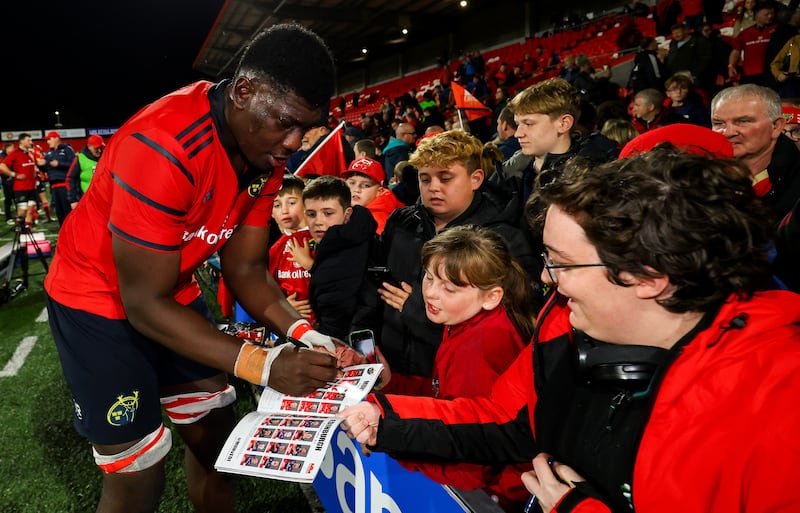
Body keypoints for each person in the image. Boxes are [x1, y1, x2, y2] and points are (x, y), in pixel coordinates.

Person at [339, 145, 800, 513]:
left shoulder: (778, 408)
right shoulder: (563, 322)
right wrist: (389, 418)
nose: (543, 279)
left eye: (559, 263)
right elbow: (507, 419)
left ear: (648, 277)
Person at [43, 24, 349, 513]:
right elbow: (143, 305)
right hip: (98, 299)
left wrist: (303, 332)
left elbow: (246, 268)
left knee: (215, 437)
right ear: (245, 91)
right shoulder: (164, 144)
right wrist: (264, 364)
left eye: (305, 129)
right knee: (139, 471)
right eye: (286, 123)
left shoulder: (263, 149)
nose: (294, 143)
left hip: (169, 287)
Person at [377, 225, 534, 509]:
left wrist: (395, 447)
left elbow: (472, 460)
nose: (431, 294)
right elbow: (444, 395)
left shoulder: (483, 344)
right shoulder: (466, 319)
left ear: (491, 296)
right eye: (428, 277)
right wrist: (393, 383)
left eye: (448, 287)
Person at [365, 130, 537, 381]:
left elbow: (516, 325)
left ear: (476, 178)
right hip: (393, 371)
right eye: (425, 179)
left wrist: (421, 315)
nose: (433, 187)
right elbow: (377, 287)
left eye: (445, 178)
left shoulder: (504, 240)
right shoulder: (400, 222)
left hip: (459, 378)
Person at [299, 175, 378, 341]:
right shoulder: (355, 237)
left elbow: (335, 320)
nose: (318, 222)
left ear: (347, 213)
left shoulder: (342, 249)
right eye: (311, 214)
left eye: (328, 213)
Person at [269, 175, 314, 322]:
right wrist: (284, 306)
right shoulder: (276, 250)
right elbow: (268, 290)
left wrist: (309, 264)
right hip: (292, 325)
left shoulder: (322, 238)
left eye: (292, 202)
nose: (284, 211)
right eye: (277, 205)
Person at [342, 157, 403, 234]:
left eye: (366, 185)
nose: (356, 189)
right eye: (352, 183)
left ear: (379, 191)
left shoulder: (378, 222)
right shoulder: (345, 207)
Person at [0, 133, 38, 228]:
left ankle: (28, 233)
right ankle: (21, 235)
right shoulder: (15, 153)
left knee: (30, 211)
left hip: (32, 188)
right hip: (21, 188)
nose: (31, 142)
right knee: (22, 213)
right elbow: (2, 166)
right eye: (28, 140)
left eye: (31, 140)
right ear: (21, 141)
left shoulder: (30, 153)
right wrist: (14, 175)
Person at [43, 130, 75, 225]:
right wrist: (42, 165)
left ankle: (72, 233)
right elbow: (46, 169)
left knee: (68, 212)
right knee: (59, 213)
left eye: (49, 139)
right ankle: (63, 234)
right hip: (54, 187)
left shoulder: (67, 149)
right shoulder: (49, 153)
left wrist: (59, 164)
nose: (48, 142)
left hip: (65, 186)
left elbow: (73, 164)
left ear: (57, 138)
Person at [66, 134, 104, 209]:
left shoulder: (107, 156)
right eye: (96, 148)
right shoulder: (80, 158)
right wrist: (73, 200)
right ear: (89, 147)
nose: (99, 150)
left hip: (105, 198)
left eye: (101, 147)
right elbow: (70, 179)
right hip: (87, 199)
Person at [1, 142, 15, 223]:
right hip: (7, 181)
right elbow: (2, 169)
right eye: (11, 148)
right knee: (8, 200)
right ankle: (8, 217)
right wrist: (8, 175)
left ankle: (19, 216)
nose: (12, 149)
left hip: (13, 179)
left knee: (17, 199)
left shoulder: (12, 155)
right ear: (7, 148)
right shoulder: (2, 157)